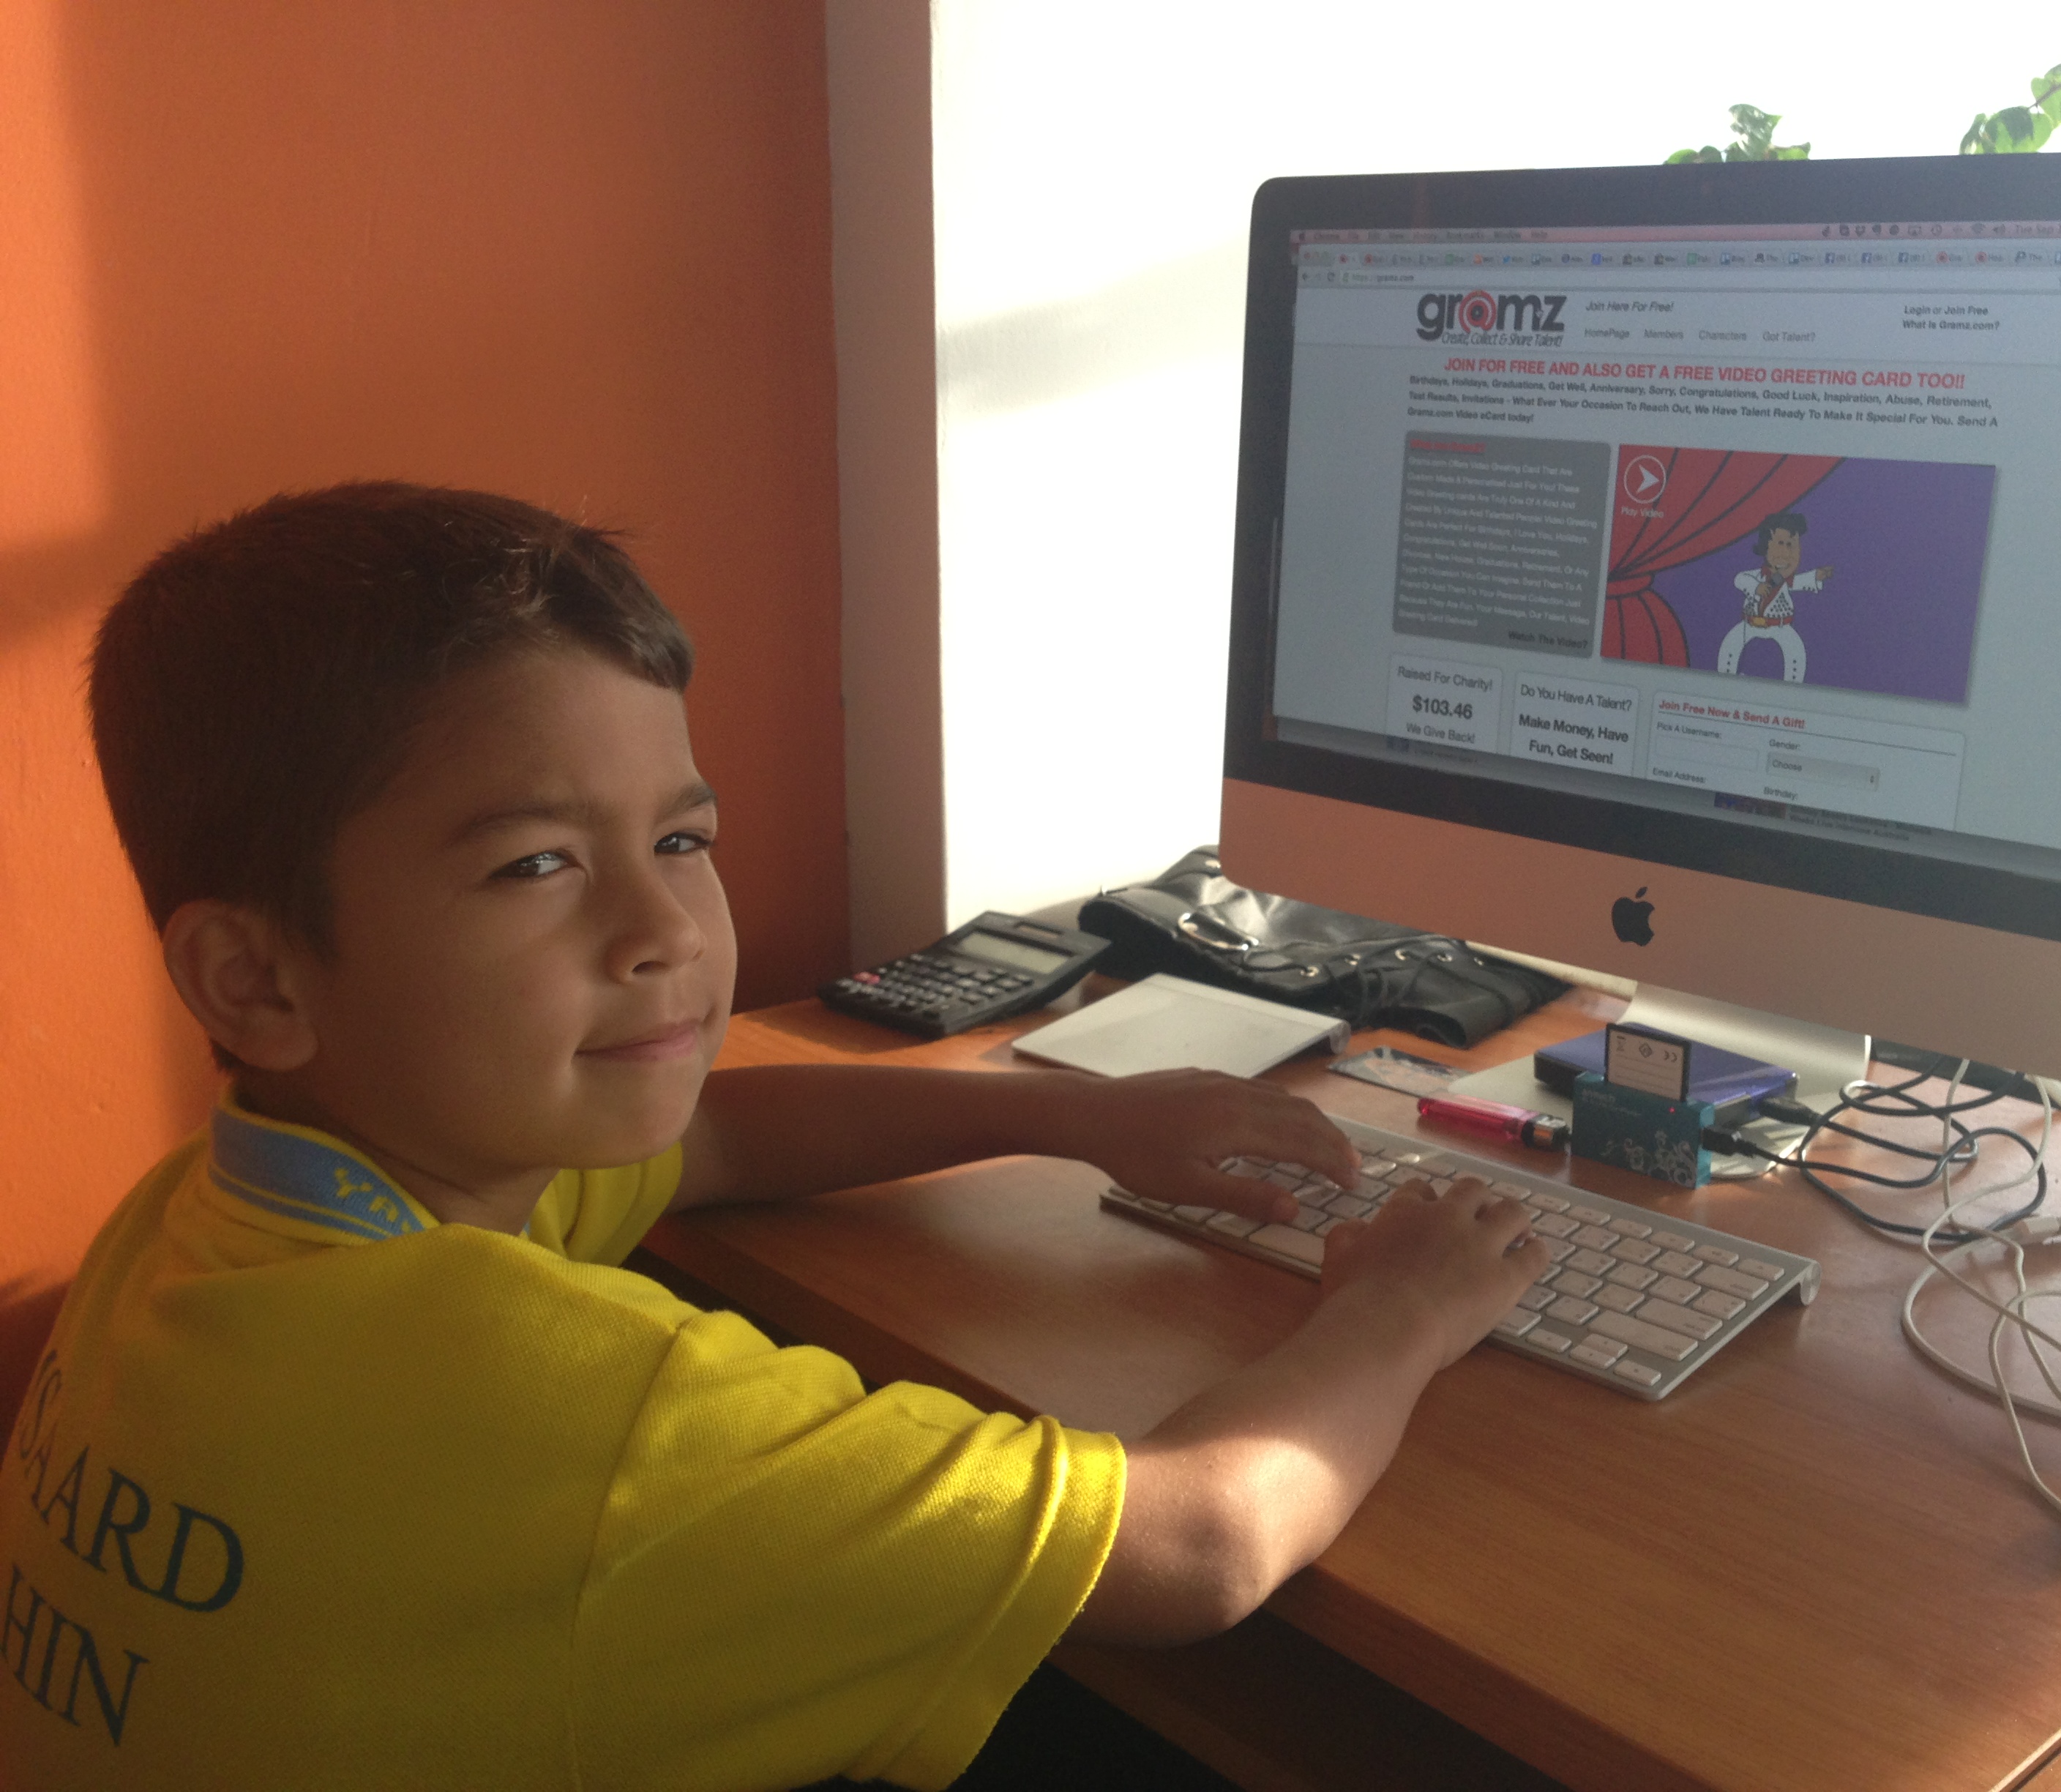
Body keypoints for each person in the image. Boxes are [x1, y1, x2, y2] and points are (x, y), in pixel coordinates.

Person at [0, 483, 1546, 1791]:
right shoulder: (563, 1402)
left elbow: (713, 1141)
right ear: (254, 979)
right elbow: (1199, 1543)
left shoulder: (205, 1228)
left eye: (681, 838)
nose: (667, 928)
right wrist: (1399, 1304)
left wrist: (1077, 1114)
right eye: (536, 865)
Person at [1717, 510, 1833, 683]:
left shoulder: (1787, 580)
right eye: (1780, 543)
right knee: (1730, 647)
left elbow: (1801, 581)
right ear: (1766, 546)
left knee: (1795, 651)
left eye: (1791, 545)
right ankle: (1723, 682)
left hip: (1781, 626)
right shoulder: (1756, 576)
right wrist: (1756, 588)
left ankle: (1792, 688)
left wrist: (1816, 576)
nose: (1786, 553)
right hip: (1749, 623)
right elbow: (1740, 579)